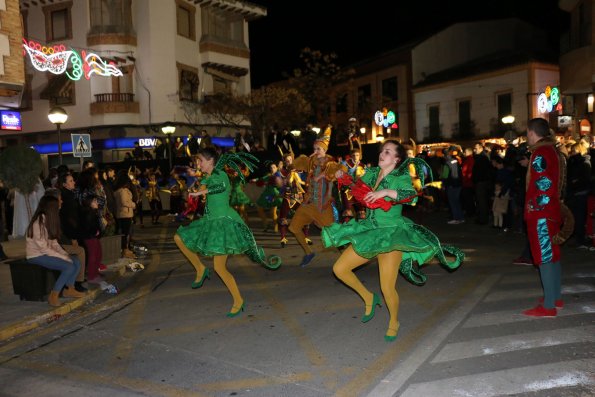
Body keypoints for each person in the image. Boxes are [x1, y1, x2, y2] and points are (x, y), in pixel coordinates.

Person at [321, 139, 464, 341]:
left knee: (387, 286)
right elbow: (357, 187)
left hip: (391, 236)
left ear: (396, 159)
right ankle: (368, 297)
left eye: (387, 152)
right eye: (382, 151)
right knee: (340, 269)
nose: (382, 154)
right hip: (369, 232)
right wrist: (341, 176)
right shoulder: (371, 174)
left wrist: (386, 191)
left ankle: (394, 321)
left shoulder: (400, 177)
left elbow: (410, 195)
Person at [174, 147, 281, 317]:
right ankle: (201, 269)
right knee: (178, 237)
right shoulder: (208, 176)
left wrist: (202, 191)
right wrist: (193, 191)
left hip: (224, 224)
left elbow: (220, 187)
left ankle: (238, 301)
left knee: (220, 268)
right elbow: (202, 186)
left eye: (200, 160)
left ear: (210, 161)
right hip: (210, 221)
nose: (198, 163)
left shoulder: (220, 175)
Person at [522, 117, 567, 317]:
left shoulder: (540, 153)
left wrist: (533, 206)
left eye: (527, 133)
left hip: (542, 214)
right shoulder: (553, 151)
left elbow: (544, 183)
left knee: (544, 256)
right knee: (553, 254)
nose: (526, 137)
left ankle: (549, 306)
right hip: (553, 212)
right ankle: (554, 296)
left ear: (532, 132)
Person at [288, 126, 344, 267]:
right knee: (294, 227)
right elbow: (298, 163)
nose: (315, 151)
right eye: (315, 148)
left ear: (325, 150)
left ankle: (347, 257)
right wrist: (291, 163)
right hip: (308, 204)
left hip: (323, 206)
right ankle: (308, 252)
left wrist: (328, 174)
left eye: (318, 149)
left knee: (333, 235)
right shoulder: (310, 161)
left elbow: (341, 169)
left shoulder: (330, 163)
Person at [25, 195, 86, 307]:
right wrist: (63, 258)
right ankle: (53, 295)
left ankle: (69, 289)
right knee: (69, 266)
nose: (60, 204)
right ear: (51, 208)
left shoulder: (49, 220)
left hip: (46, 252)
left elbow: (54, 243)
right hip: (36, 255)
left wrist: (64, 254)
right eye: (57, 204)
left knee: (76, 261)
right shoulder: (38, 223)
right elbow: (43, 248)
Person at [113, 170, 137, 259]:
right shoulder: (122, 191)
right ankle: (125, 250)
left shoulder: (117, 190)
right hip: (125, 214)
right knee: (125, 233)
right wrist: (133, 205)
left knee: (124, 233)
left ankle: (125, 250)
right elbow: (124, 202)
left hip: (122, 213)